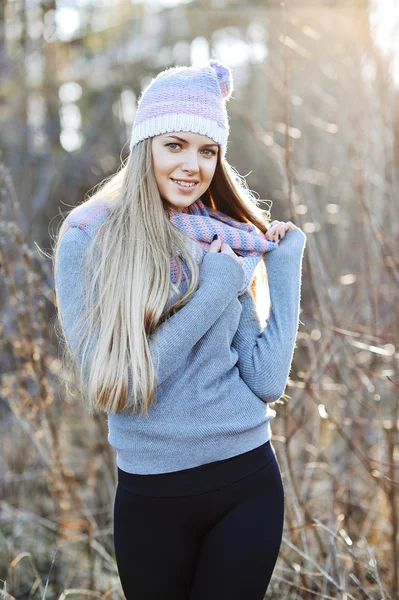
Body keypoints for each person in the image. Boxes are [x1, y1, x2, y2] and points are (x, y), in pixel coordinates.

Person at [53, 59, 307, 599]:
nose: (193, 166)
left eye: (208, 150)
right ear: (145, 144)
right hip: (152, 496)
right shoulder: (88, 238)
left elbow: (264, 381)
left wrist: (282, 268)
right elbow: (115, 387)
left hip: (247, 484)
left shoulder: (221, 237)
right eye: (175, 145)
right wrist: (214, 291)